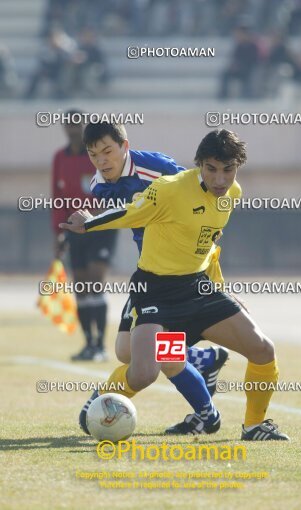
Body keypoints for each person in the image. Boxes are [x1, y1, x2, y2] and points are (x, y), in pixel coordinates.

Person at [61, 129, 289, 440]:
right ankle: (111, 398)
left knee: (263, 349)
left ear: (237, 168)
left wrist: (221, 289)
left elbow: (206, 243)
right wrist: (88, 223)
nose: (220, 179)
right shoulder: (169, 188)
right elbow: (132, 212)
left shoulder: (232, 193)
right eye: (211, 169)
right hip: (155, 288)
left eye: (228, 170)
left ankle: (253, 426)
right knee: (141, 370)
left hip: (197, 286)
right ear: (198, 165)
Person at [77, 122, 230, 435]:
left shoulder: (156, 167)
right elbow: (133, 216)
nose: (102, 160)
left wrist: (208, 237)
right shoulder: (99, 185)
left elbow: (199, 187)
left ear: (124, 146)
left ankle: (206, 414)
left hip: (180, 271)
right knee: (126, 351)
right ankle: (203, 357)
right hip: (151, 270)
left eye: (107, 151)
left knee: (161, 355)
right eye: (94, 155)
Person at [52, 111, 117, 361]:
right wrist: (58, 233)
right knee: (80, 285)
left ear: (83, 127)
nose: (71, 130)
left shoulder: (97, 155)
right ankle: (88, 344)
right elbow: (57, 198)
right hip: (73, 228)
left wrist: (101, 215)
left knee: (95, 280)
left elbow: (113, 188)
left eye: (76, 125)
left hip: (101, 227)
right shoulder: (60, 157)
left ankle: (101, 345)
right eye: (67, 125)